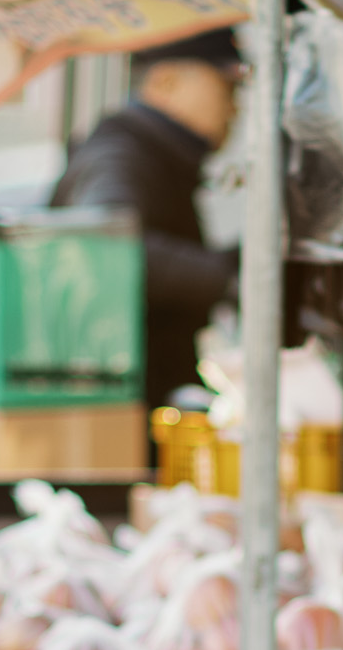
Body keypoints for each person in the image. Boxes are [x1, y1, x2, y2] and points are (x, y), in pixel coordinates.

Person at [50, 25, 243, 406]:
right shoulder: (121, 154)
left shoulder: (155, 153)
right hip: (115, 412)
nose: (235, 106)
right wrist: (229, 277)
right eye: (226, 86)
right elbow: (103, 248)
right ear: (165, 80)